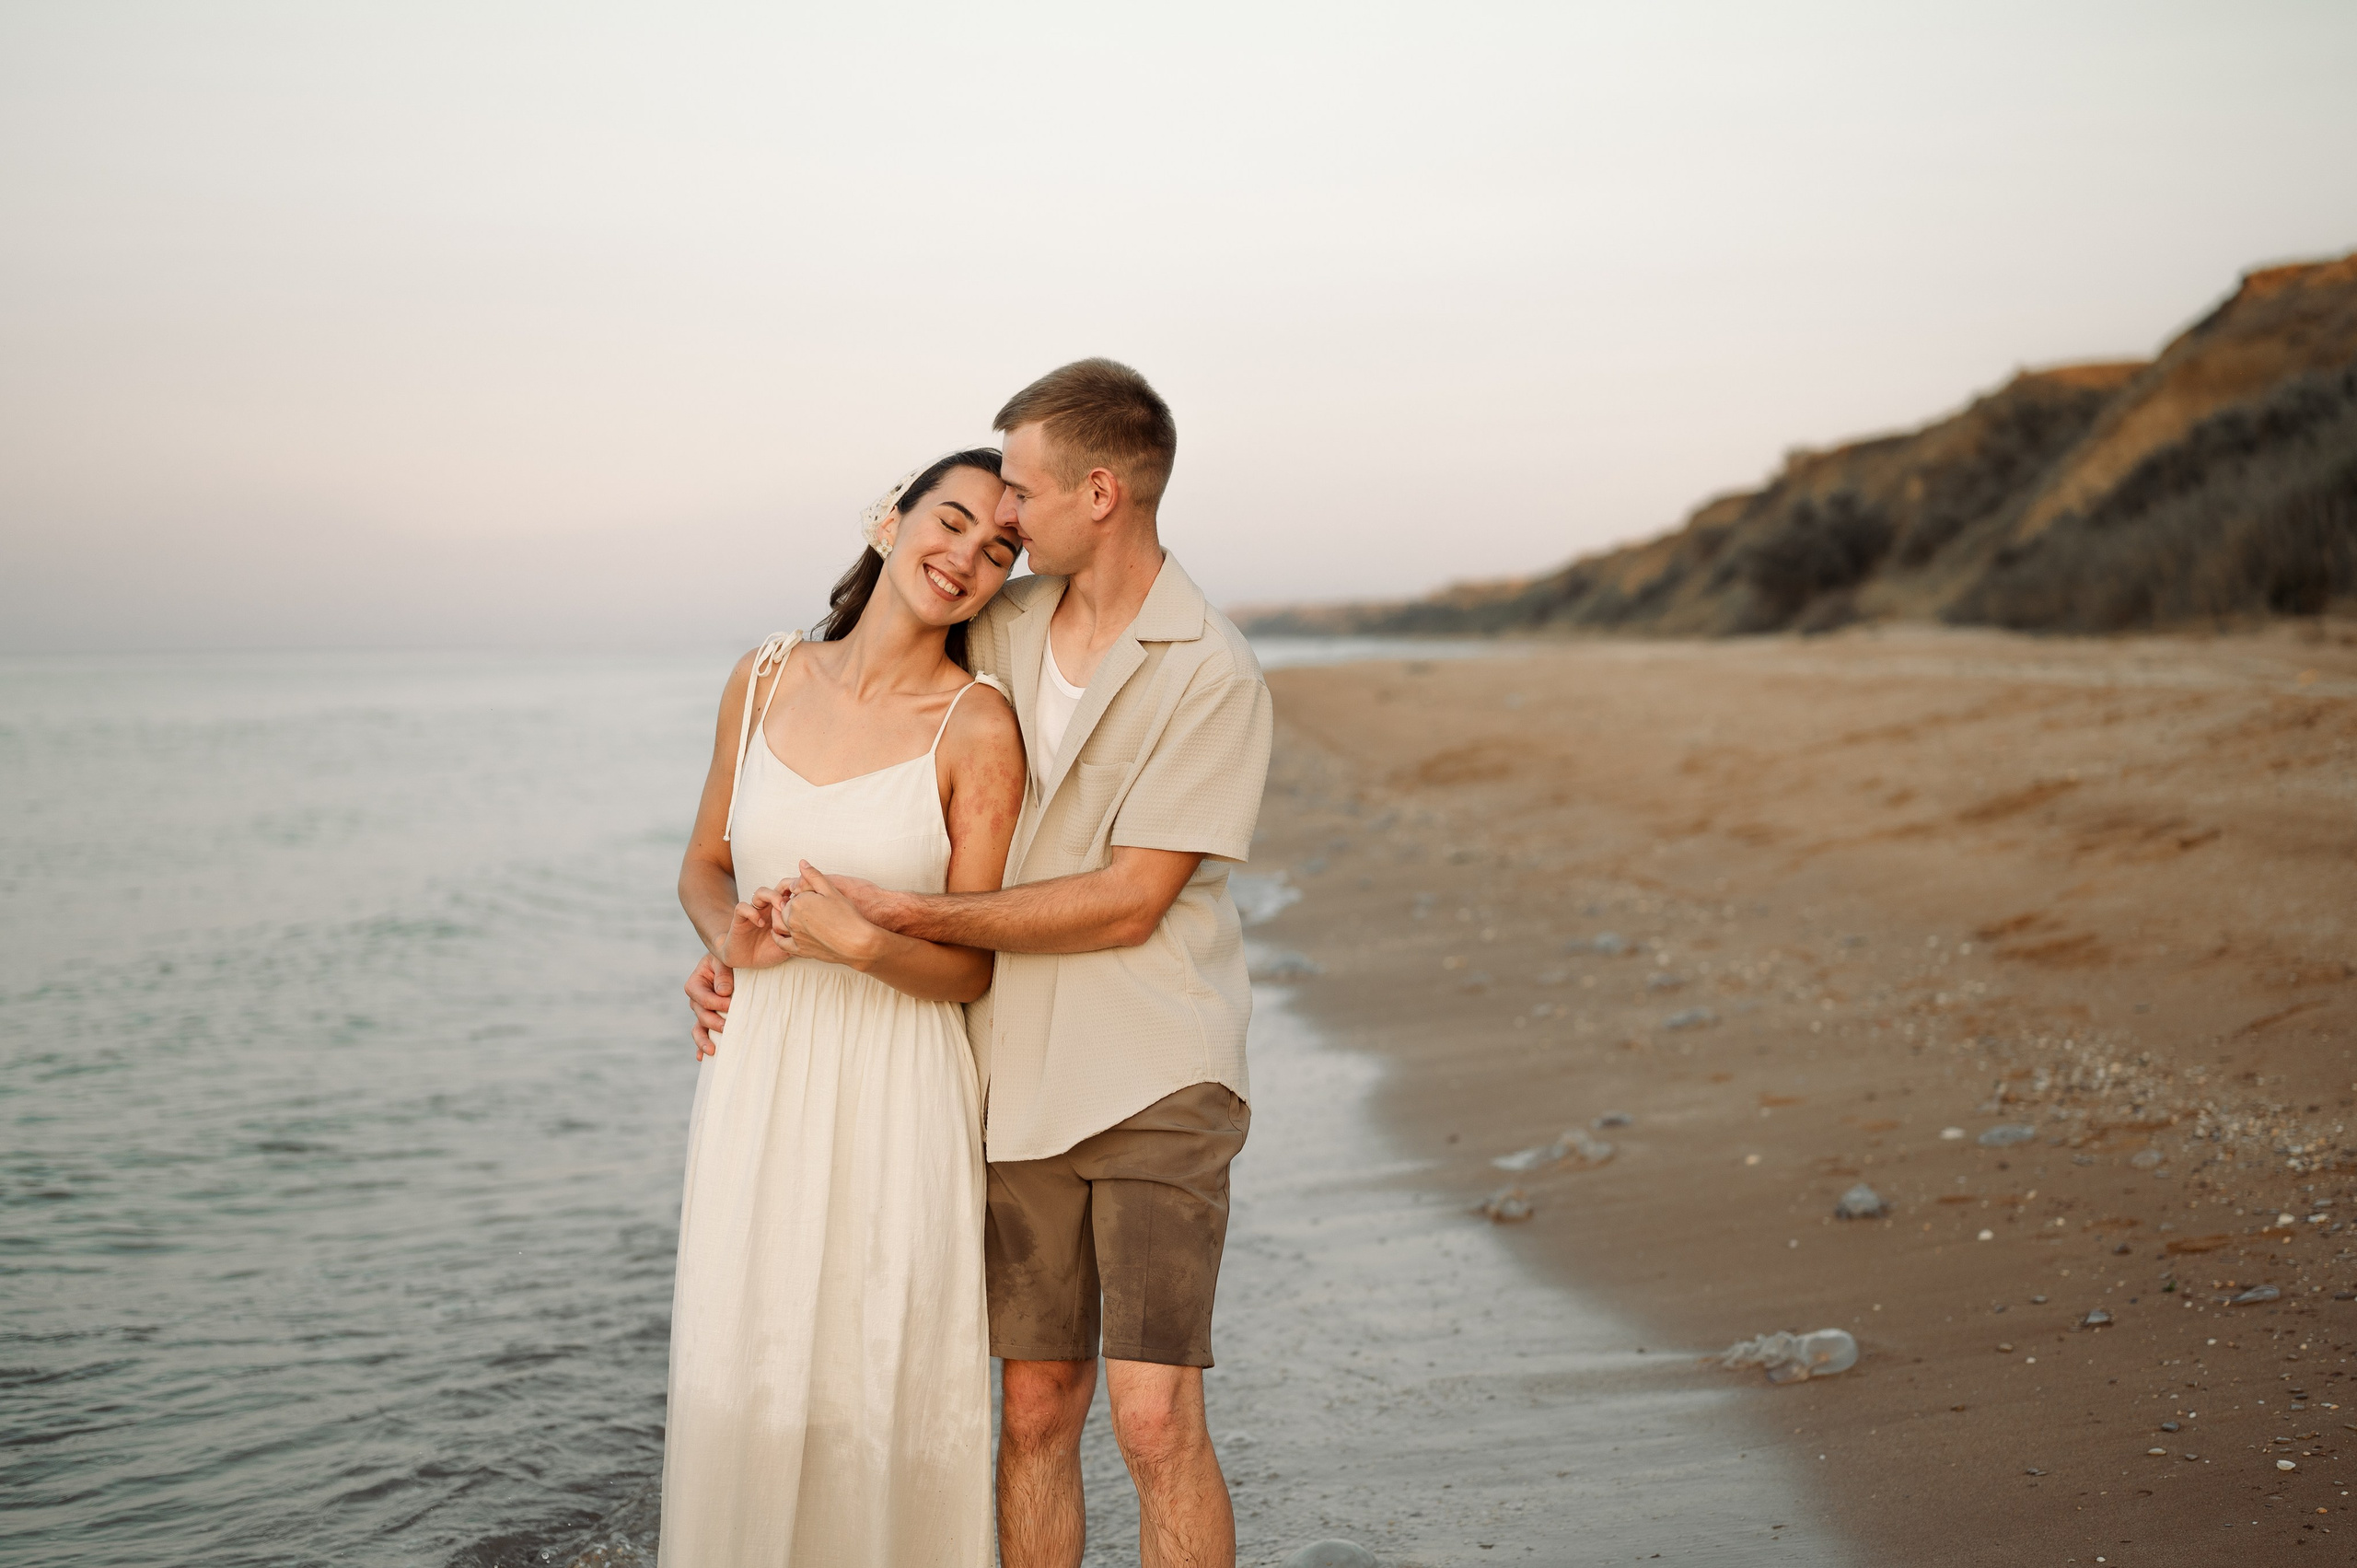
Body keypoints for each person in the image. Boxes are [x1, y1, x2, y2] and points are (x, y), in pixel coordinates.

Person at [689, 360, 1275, 1568]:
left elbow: (1130, 900)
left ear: (1097, 493)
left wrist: (893, 920)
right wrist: (738, 949)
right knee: (1033, 1406)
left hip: (1157, 1062)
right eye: (969, 507)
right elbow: (735, 847)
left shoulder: (1206, 668)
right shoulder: (999, 623)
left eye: (1015, 499)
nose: (995, 526)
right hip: (1013, 1080)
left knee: (1154, 1416)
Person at [662, 447, 1028, 1567]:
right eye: (951, 521)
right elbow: (701, 866)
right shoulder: (763, 675)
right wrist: (731, 938)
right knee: (748, 1353)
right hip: (760, 1072)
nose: (964, 556)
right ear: (890, 517)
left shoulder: (978, 725)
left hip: (900, 1078)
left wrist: (865, 942)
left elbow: (972, 966)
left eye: (999, 548)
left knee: (881, 1366)